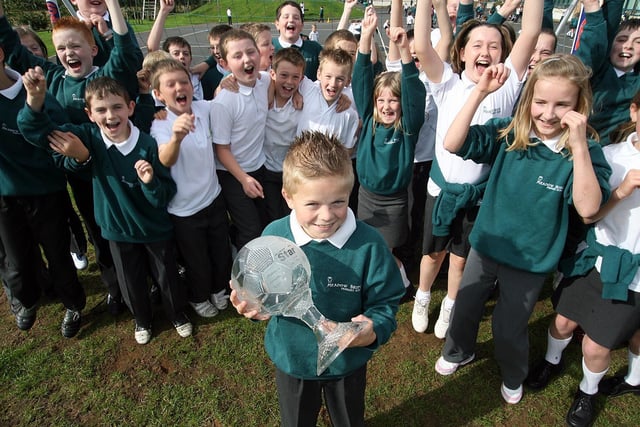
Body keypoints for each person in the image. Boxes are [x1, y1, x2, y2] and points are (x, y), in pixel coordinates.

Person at [433, 54, 611, 405]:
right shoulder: (511, 134)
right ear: (529, 99)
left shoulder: (584, 151)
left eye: (562, 105)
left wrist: (577, 147)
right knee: (465, 306)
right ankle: (458, 351)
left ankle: (513, 373)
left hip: (532, 259)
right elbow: (453, 143)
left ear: (579, 106)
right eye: (541, 102)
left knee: (509, 326)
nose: (547, 114)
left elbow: (589, 209)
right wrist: (479, 93)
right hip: (486, 245)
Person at [230, 130, 405, 426]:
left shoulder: (370, 244)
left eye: (338, 202)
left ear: (350, 192)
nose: (326, 216)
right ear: (288, 197)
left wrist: (372, 331)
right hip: (293, 359)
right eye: (312, 204)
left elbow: (386, 302)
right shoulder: (274, 236)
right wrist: (254, 308)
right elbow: (262, 294)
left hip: (348, 361)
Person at [18, 72, 193, 345]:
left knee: (166, 276)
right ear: (89, 114)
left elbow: (164, 194)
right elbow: (34, 131)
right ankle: (142, 319)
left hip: (154, 228)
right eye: (101, 110)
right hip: (117, 230)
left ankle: (177, 314)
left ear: (130, 108)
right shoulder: (89, 138)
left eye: (117, 107)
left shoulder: (148, 144)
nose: (110, 115)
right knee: (130, 281)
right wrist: (35, 98)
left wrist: (149, 183)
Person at [0, 0, 141, 316]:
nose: (69, 52)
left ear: (92, 48)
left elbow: (125, 50)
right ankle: (115, 289)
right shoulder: (53, 80)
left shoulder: (105, 78)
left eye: (76, 45)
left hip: (115, 173)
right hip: (81, 179)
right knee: (98, 233)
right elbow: (14, 51)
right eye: (61, 48)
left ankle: (145, 281)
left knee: (130, 227)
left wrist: (114, 5)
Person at [410, 0, 541, 338]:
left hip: (478, 196)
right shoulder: (448, 83)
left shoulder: (510, 83)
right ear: (463, 52)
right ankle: (423, 295)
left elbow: (530, 31)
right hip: (441, 191)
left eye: (494, 46)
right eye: (478, 45)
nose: (486, 51)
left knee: (460, 258)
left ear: (503, 55)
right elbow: (422, 45)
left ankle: (452, 302)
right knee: (433, 253)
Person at [525, 90, 640, 427]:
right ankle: (551, 360)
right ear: (634, 111)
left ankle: (587, 392)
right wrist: (621, 191)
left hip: (632, 275)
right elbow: (589, 216)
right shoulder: (611, 155)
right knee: (562, 321)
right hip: (596, 258)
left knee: (594, 345)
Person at [0, 47, 86, 338]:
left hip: (46, 193)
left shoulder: (40, 95)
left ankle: (74, 304)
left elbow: (59, 140)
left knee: (59, 256)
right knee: (18, 262)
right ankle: (27, 299)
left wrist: (34, 103)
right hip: (6, 197)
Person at [352, 8, 426, 296]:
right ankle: (385, 283)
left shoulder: (407, 127)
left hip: (394, 201)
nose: (386, 106)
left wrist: (405, 51)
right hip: (367, 198)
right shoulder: (369, 119)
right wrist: (367, 36)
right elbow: (360, 79)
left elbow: (413, 91)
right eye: (381, 99)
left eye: (393, 100)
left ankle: (403, 285)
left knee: (384, 247)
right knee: (370, 244)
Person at [150, 59, 231, 318]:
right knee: (197, 261)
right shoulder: (160, 124)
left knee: (220, 250)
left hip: (214, 198)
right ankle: (198, 296)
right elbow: (165, 159)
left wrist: (227, 83)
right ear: (158, 94)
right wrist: (176, 137)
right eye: (170, 84)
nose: (179, 87)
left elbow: (221, 101)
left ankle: (219, 288)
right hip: (185, 211)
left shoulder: (202, 108)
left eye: (183, 81)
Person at [212, 29, 270, 249]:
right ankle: (241, 276)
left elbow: (282, 80)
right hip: (233, 174)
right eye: (237, 56)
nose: (246, 59)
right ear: (225, 63)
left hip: (259, 165)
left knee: (263, 224)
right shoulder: (224, 102)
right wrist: (243, 179)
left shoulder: (265, 80)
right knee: (251, 230)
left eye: (250, 52)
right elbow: (221, 149)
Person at [575, 0, 640, 145]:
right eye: (621, 40)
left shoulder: (636, 82)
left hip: (612, 154)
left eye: (638, 42)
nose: (628, 46)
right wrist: (592, 8)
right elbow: (597, 41)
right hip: (576, 144)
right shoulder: (595, 69)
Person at [147, 0, 204, 100]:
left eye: (186, 54)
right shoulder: (161, 78)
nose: (182, 56)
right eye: (176, 53)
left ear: (191, 59)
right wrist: (164, 11)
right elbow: (152, 49)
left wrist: (208, 63)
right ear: (166, 58)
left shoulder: (197, 76)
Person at [273, 1, 323, 81]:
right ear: (277, 24)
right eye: (286, 17)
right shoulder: (269, 47)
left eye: (296, 18)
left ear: (302, 25)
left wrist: (347, 10)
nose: (291, 20)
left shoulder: (314, 48)